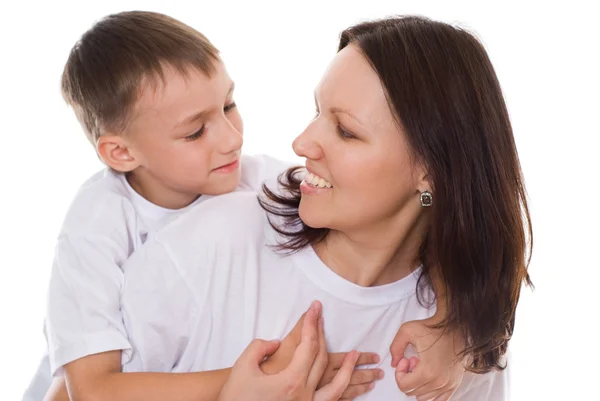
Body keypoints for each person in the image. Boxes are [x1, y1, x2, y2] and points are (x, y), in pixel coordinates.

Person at [34, 11, 463, 401]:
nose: (232, 138)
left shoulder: (254, 181)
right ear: (122, 153)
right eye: (195, 132)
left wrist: (452, 324)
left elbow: (427, 225)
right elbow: (87, 391)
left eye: (229, 105)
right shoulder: (94, 229)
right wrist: (262, 379)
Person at [114, 14, 532, 401]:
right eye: (317, 112)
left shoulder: (452, 352)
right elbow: (71, 392)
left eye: (346, 131)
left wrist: (456, 327)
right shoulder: (216, 241)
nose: (301, 144)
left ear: (431, 175)